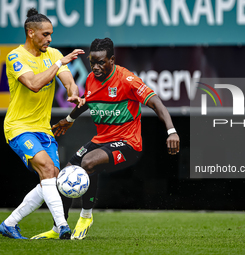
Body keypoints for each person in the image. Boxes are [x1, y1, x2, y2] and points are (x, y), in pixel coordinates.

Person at [31, 38, 180, 240]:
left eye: (101, 62)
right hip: (102, 139)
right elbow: (87, 101)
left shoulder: (127, 80)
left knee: (88, 163)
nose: (96, 67)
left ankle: (85, 216)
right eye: (92, 62)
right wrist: (69, 119)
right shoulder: (92, 78)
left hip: (128, 143)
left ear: (112, 60)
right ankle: (59, 227)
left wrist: (171, 131)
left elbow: (156, 103)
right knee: (66, 173)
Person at [0, 8, 84, 239]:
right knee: (47, 169)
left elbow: (69, 81)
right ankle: (62, 226)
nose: (49, 39)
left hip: (43, 129)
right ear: (31, 33)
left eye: (51, 35)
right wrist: (59, 64)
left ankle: (9, 223)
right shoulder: (15, 56)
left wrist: (73, 92)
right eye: (45, 35)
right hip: (19, 126)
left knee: (52, 178)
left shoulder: (54, 54)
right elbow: (34, 83)